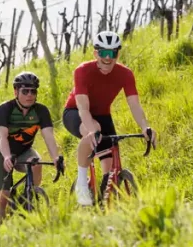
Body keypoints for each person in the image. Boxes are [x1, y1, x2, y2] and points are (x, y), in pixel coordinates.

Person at [63, 30, 157, 206]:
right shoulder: (82, 71)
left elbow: (134, 105)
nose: (107, 58)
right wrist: (91, 131)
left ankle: (103, 204)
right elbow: (83, 107)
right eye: (103, 53)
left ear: (117, 54)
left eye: (112, 53)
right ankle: (82, 183)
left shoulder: (125, 74)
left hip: (103, 115)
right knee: (94, 130)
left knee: (111, 164)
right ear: (95, 53)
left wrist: (145, 127)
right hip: (75, 112)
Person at [0, 71, 64, 224]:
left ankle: (26, 200)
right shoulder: (4, 109)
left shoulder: (41, 111)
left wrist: (56, 157)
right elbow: (1, 136)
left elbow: (48, 136)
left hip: (23, 151)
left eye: (33, 91)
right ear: (16, 91)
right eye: (25, 91)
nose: (30, 94)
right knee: (2, 200)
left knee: (36, 163)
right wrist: (7, 156)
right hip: (0, 152)